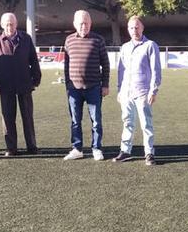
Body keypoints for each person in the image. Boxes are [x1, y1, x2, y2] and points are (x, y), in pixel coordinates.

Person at [0, 13, 41, 157]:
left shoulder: (26, 38)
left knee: (28, 116)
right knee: (8, 117)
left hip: (25, 83)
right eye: (7, 24)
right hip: (5, 84)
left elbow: (33, 60)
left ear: (16, 24)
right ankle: (11, 148)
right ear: (2, 25)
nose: (9, 27)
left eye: (12, 24)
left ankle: (32, 146)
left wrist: (36, 79)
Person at [62, 10, 110, 161]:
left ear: (91, 24)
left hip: (94, 87)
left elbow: (106, 64)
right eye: (81, 23)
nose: (84, 26)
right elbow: (67, 64)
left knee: (96, 120)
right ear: (75, 24)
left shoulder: (98, 40)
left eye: (87, 23)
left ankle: (96, 148)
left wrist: (105, 84)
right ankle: (77, 148)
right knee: (75, 121)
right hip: (74, 90)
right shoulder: (69, 40)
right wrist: (68, 85)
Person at [113, 16, 161, 166]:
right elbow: (121, 70)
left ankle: (149, 153)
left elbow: (156, 70)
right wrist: (120, 90)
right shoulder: (125, 47)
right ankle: (125, 151)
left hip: (143, 92)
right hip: (127, 92)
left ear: (142, 28)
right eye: (131, 28)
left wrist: (153, 91)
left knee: (146, 124)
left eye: (137, 27)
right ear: (128, 30)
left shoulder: (150, 46)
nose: (134, 30)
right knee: (127, 122)